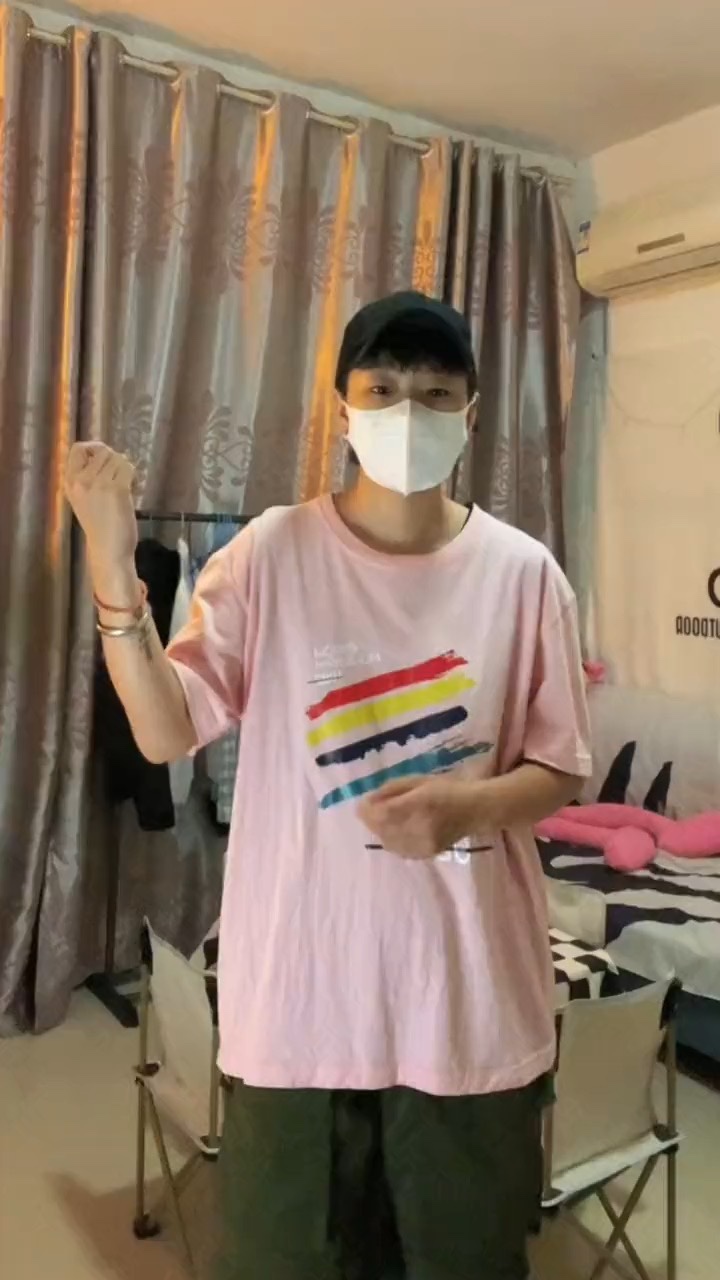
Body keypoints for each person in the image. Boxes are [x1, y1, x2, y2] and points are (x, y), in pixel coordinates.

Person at [65, 291, 591, 1280]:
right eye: (381, 389)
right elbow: (167, 728)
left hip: (468, 1005)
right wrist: (110, 557)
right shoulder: (270, 554)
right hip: (300, 1008)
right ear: (342, 407)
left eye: (435, 393)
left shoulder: (525, 575)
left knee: (465, 1261)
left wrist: (472, 806)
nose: (407, 412)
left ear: (472, 413)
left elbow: (562, 765)